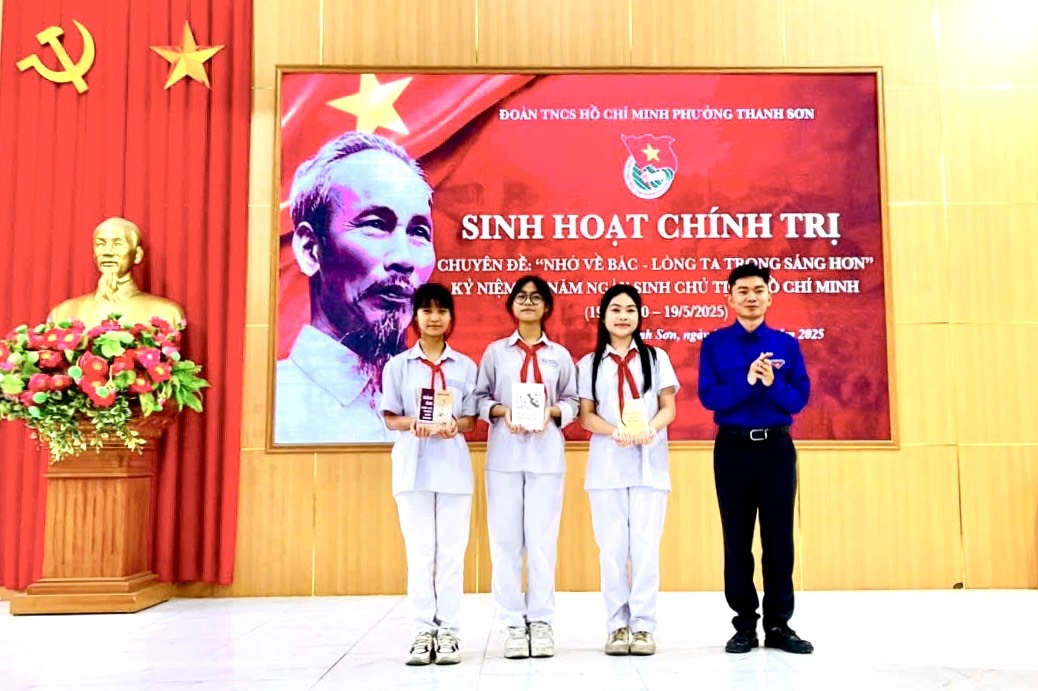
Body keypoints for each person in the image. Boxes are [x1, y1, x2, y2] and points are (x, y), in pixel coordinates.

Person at [274, 131, 435, 444]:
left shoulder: (438, 388)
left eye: (418, 232)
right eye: (375, 224)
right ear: (310, 249)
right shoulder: (272, 406)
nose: (404, 258)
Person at [697, 262, 813, 655]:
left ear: (770, 295)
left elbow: (798, 400)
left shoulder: (786, 345)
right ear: (729, 298)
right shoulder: (715, 344)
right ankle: (744, 625)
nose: (751, 297)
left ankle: (779, 624)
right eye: (742, 291)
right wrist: (746, 382)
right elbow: (709, 397)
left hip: (776, 449)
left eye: (758, 290)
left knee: (779, 539)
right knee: (737, 539)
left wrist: (772, 383)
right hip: (733, 448)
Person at [474, 275, 578, 659]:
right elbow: (479, 398)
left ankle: (541, 621)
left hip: (546, 457)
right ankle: (512, 624)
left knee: (542, 542)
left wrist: (552, 412)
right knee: (505, 543)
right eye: (522, 297)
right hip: (504, 457)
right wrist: (503, 411)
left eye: (536, 297)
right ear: (512, 305)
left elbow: (572, 400)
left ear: (547, 306)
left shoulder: (559, 356)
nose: (529, 302)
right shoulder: (496, 353)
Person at [577, 284, 678, 657]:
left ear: (639, 316)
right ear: (603, 316)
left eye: (630, 310)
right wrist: (614, 431)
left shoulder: (656, 358)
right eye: (615, 309)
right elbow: (586, 416)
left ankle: (644, 626)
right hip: (607, 468)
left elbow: (669, 407)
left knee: (646, 550)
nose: (623, 316)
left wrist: (650, 428)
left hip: (650, 466)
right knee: (612, 550)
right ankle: (617, 626)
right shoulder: (589, 363)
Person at [380, 282, 477, 666]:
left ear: (451, 317)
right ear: (415, 316)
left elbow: (471, 419)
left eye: (441, 311)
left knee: (451, 555)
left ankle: (449, 632)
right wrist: (413, 423)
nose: (434, 318)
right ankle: (422, 631)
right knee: (420, 555)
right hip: (412, 470)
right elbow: (391, 418)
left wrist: (456, 424)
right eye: (427, 310)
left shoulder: (465, 366)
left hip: (453, 470)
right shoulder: (398, 366)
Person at [48, 217, 185, 328]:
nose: (107, 252)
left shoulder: (166, 313)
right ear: (94, 255)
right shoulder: (63, 313)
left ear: (137, 255)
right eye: (101, 244)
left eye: (118, 244)